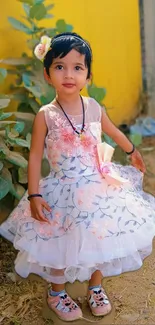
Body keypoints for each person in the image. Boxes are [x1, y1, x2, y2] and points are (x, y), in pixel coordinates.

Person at [1, 32, 155, 322]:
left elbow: (113, 131)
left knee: (101, 238)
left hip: (97, 187)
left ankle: (95, 287)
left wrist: (132, 149)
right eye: (60, 67)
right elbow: (35, 156)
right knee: (60, 239)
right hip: (63, 189)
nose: (69, 74)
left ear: (88, 75)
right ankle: (57, 291)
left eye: (77, 67)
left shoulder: (94, 107)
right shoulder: (45, 115)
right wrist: (34, 194)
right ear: (47, 74)